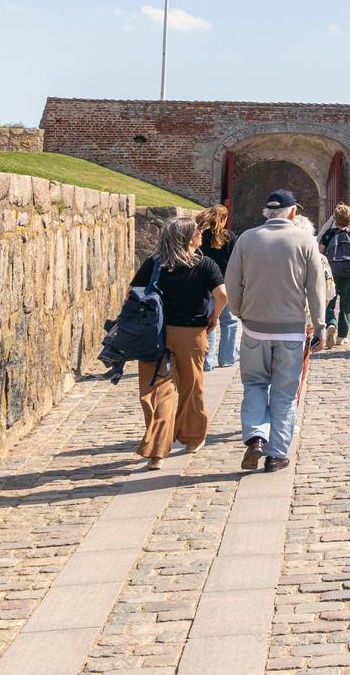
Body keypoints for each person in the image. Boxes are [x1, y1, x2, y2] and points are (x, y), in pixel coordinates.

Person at [223, 189, 332, 474]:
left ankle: (256, 435)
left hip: (255, 328)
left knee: (255, 384)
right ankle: (276, 454)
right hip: (291, 330)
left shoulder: (247, 239)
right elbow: (315, 289)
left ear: (266, 213)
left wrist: (240, 312)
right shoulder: (305, 240)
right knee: (284, 393)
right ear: (293, 212)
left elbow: (231, 283)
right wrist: (319, 325)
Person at [131, 215, 226, 470]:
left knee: (159, 391)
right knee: (192, 387)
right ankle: (192, 439)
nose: (201, 233)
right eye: (197, 230)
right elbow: (222, 295)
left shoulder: (154, 264)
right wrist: (214, 317)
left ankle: (157, 451)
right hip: (191, 334)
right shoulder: (204, 265)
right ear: (187, 237)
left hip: (156, 334)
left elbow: (134, 293)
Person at [198, 205, 239, 370]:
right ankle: (227, 357)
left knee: (209, 322)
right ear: (223, 218)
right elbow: (236, 262)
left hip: (206, 284)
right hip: (225, 284)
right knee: (229, 321)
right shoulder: (230, 237)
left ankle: (207, 362)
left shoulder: (202, 237)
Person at [317, 203, 350, 348]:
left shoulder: (329, 234)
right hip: (349, 273)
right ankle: (342, 337)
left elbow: (319, 256)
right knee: (346, 304)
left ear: (335, 219)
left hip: (331, 274)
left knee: (328, 303)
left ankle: (331, 323)